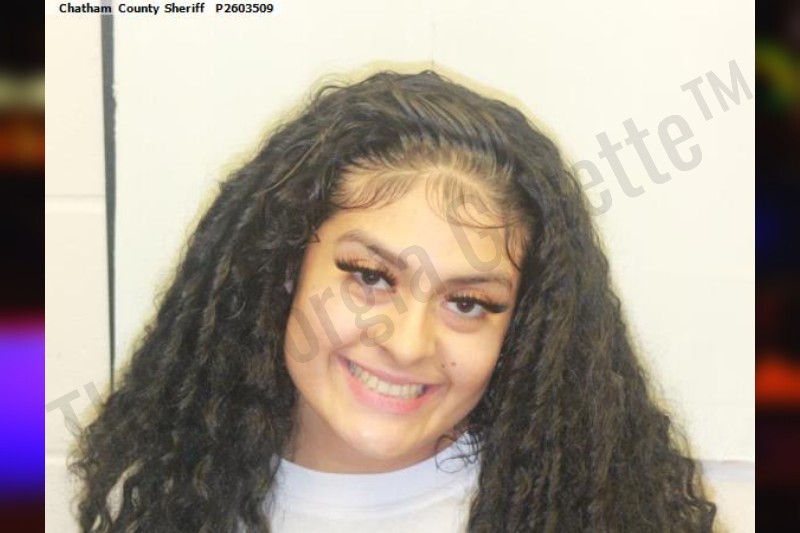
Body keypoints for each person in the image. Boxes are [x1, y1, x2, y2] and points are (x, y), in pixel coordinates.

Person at [72, 71, 717, 532]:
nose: (408, 344)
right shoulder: (153, 500)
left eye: (469, 303)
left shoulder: (594, 514)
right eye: (371, 277)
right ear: (282, 269)